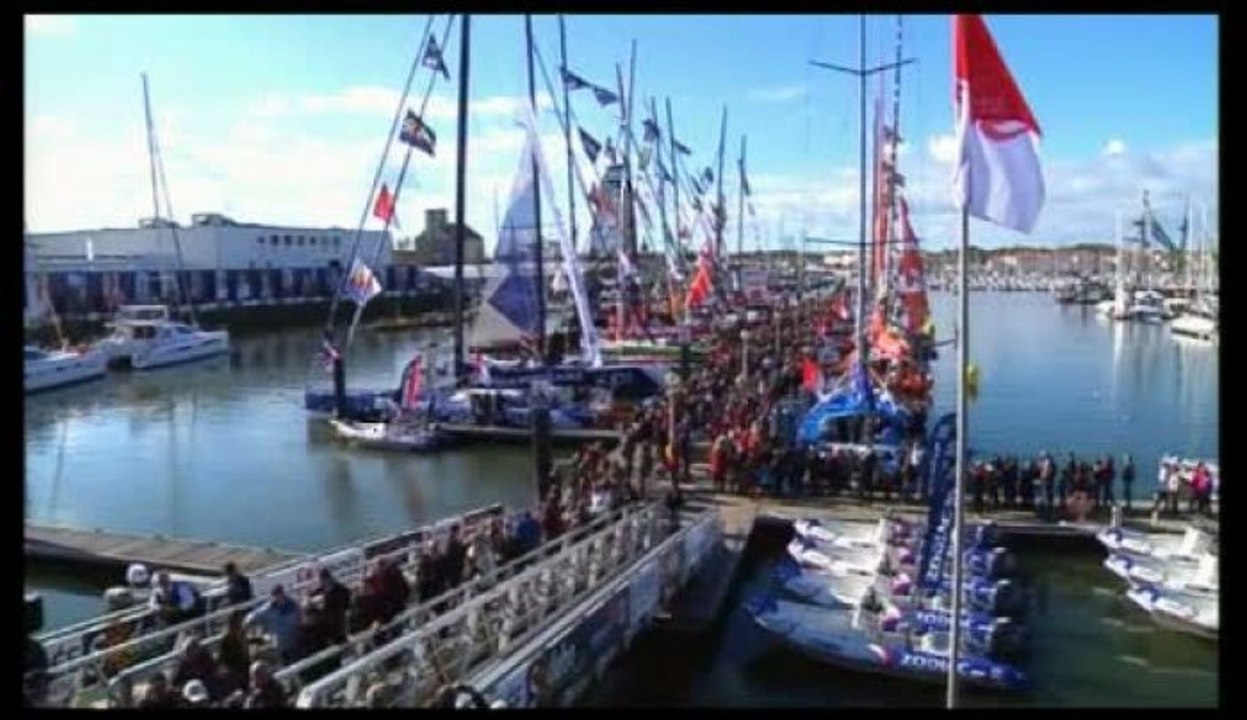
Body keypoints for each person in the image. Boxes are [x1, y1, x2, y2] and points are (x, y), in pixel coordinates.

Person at [244, 585, 302, 666]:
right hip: (278, 646)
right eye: (276, 595)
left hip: (293, 643)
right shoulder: (266, 609)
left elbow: (300, 619)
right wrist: (248, 623)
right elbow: (251, 618)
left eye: (280, 593)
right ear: (272, 596)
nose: (279, 597)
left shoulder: (294, 605)